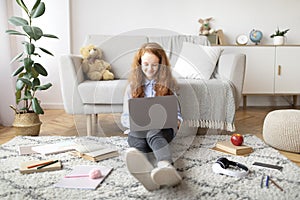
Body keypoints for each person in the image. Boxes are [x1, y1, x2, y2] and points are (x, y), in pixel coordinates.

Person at [121, 42, 183, 191]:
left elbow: (179, 116)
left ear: (161, 65)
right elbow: (124, 117)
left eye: (154, 65)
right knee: (138, 139)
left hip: (163, 131)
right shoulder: (131, 87)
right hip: (138, 132)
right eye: (146, 64)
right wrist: (133, 123)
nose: (150, 69)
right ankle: (147, 175)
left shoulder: (169, 85)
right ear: (139, 64)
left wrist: (175, 120)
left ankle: (166, 166)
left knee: (153, 131)